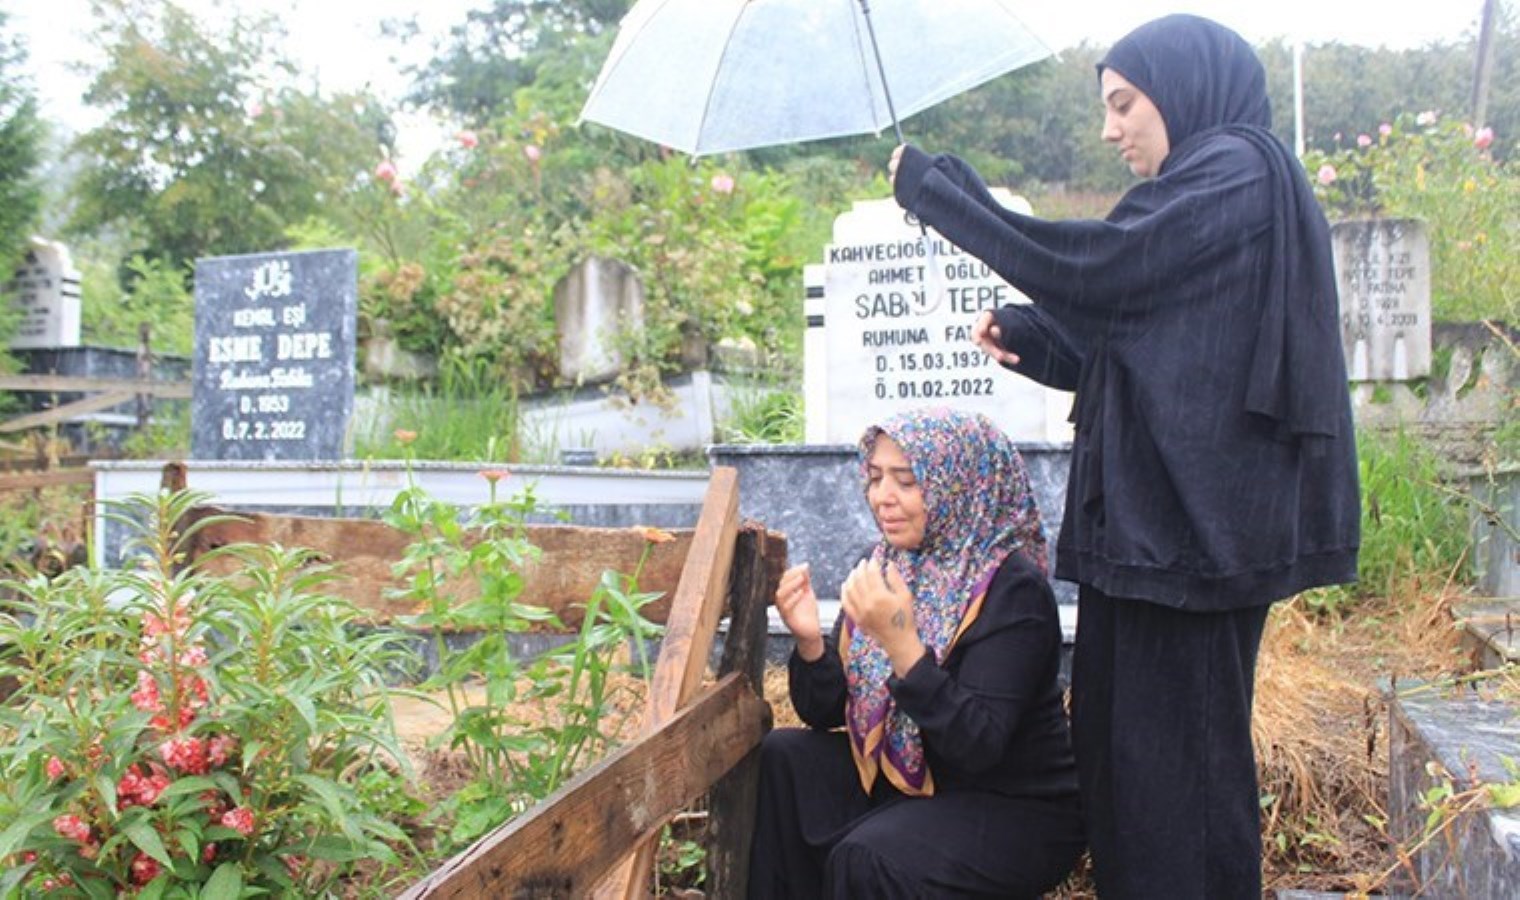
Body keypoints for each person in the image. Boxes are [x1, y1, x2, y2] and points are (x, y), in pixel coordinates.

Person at [888, 14, 1361, 899]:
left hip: (1188, 546)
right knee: (1123, 767)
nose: (1111, 129)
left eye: (1123, 103)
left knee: (1173, 784)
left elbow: (1106, 267)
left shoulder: (1233, 171)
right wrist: (1034, 341)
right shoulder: (1213, 190)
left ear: (1181, 93)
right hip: (1155, 544)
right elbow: (1164, 356)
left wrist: (943, 195)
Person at [747, 407, 1084, 898]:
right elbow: (824, 711)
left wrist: (904, 647)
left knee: (870, 857)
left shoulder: (1013, 589)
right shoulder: (882, 561)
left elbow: (978, 746)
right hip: (914, 779)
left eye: (907, 481)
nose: (883, 497)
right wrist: (810, 643)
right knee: (782, 757)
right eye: (877, 477)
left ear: (957, 486)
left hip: (1013, 803)